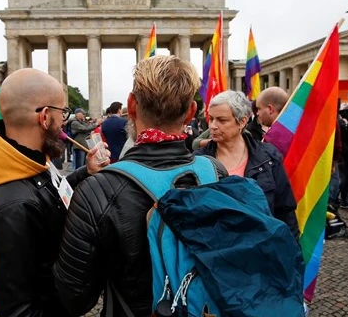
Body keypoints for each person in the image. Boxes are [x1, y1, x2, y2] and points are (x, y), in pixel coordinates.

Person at [53, 55, 228, 316]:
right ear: (192, 112)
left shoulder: (98, 190)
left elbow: (74, 299)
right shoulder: (215, 171)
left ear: (132, 105)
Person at [0, 68, 109, 317]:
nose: (65, 120)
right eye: (63, 112)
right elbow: (17, 311)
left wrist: (85, 172)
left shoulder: (24, 161)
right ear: (45, 117)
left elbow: (55, 191)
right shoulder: (12, 207)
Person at [194, 90, 299, 238]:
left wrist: (292, 254)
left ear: (242, 122)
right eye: (211, 119)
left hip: (263, 249)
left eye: (221, 120)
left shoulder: (268, 158)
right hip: (216, 253)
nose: (213, 126)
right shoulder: (198, 162)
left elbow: (285, 211)